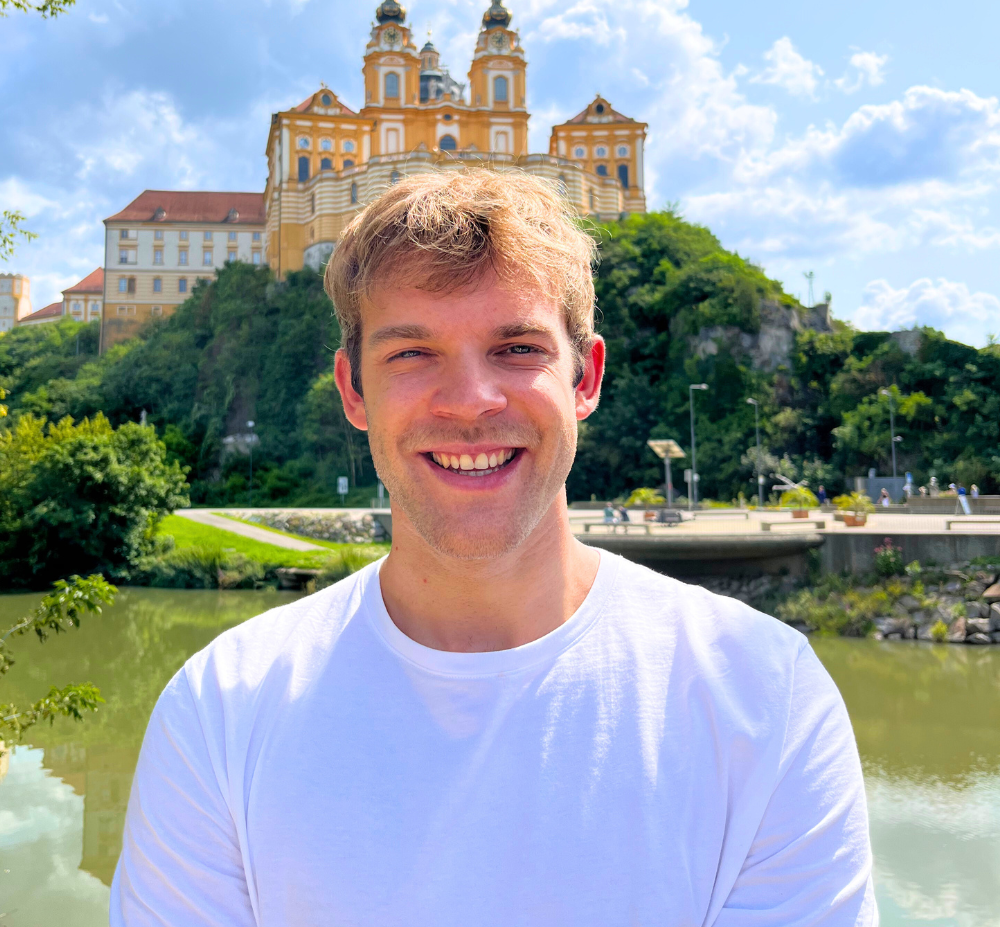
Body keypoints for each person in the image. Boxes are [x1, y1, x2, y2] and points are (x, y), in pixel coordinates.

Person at [111, 171, 875, 926]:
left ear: (586, 377)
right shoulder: (220, 710)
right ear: (353, 391)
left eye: (516, 347)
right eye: (412, 354)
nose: (471, 400)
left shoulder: (765, 696)